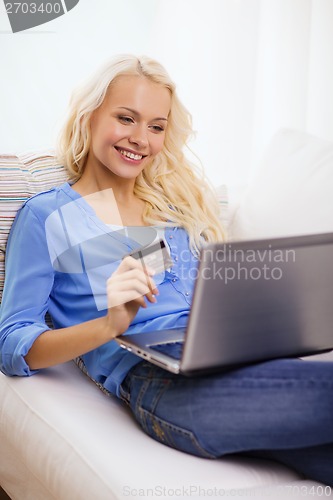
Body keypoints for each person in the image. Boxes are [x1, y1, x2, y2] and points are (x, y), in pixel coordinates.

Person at [0, 54, 332, 486]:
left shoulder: (172, 211)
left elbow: (202, 307)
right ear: (89, 116)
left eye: (156, 126)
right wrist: (110, 325)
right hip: (163, 385)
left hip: (236, 362)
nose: (141, 138)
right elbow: (12, 342)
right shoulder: (49, 216)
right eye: (126, 118)